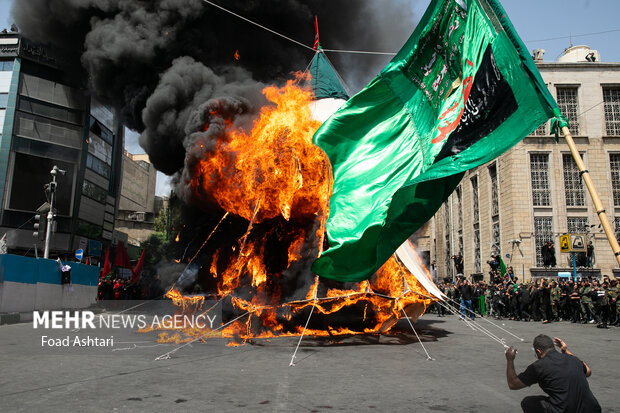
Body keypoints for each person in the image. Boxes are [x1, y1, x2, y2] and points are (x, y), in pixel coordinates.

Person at [505, 335, 601, 412]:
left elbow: (513, 384)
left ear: (538, 351)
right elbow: (588, 371)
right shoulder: (572, 359)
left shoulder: (539, 366)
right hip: (592, 408)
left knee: (528, 402)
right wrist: (566, 351)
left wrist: (510, 360)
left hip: (566, 409)